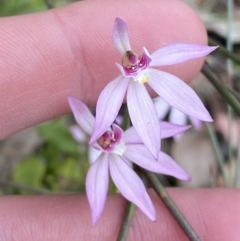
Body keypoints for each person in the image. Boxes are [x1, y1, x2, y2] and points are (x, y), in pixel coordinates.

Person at [0, 0, 239, 240]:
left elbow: (192, 53)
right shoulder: (113, 96)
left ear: (142, 55)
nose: (134, 64)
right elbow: (101, 115)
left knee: (159, 148)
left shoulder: (149, 70)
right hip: (120, 136)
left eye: (137, 60)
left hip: (137, 113)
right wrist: (99, 132)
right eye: (131, 63)